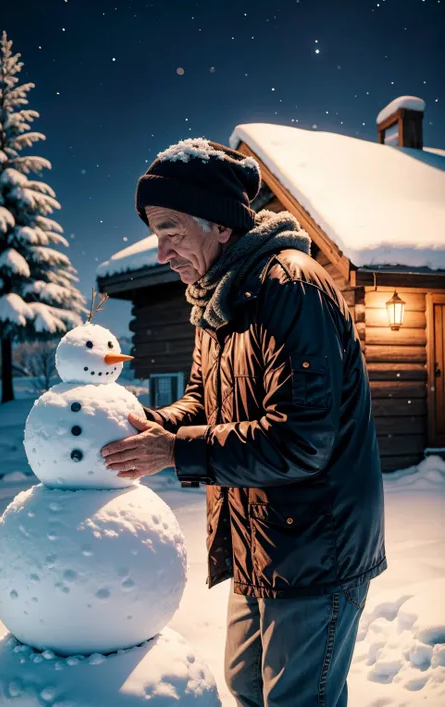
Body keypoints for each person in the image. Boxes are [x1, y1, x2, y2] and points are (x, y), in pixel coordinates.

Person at [101, 137, 387, 706]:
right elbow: (201, 403)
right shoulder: (219, 300)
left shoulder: (291, 287)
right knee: (247, 685)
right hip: (259, 542)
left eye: (170, 232)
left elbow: (302, 439)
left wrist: (175, 451)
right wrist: (138, 424)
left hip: (315, 549)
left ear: (222, 227)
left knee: (296, 700)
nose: (161, 254)